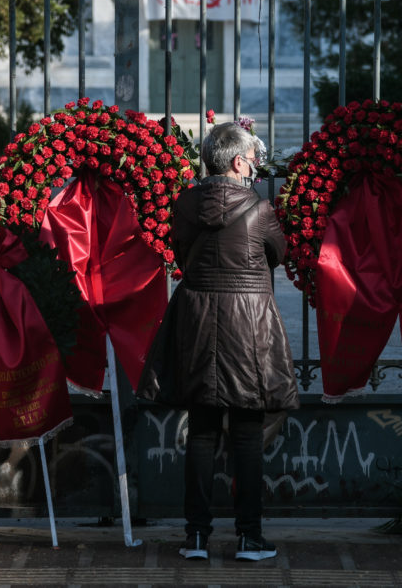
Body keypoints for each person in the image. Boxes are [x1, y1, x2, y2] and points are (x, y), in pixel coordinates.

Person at [138, 120, 299, 562]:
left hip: (197, 320)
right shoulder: (259, 209)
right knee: (247, 433)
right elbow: (278, 254)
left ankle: (195, 538)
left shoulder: (185, 205)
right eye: (251, 158)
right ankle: (249, 537)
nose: (255, 166)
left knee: (202, 432)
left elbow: (182, 252)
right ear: (237, 161)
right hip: (247, 326)